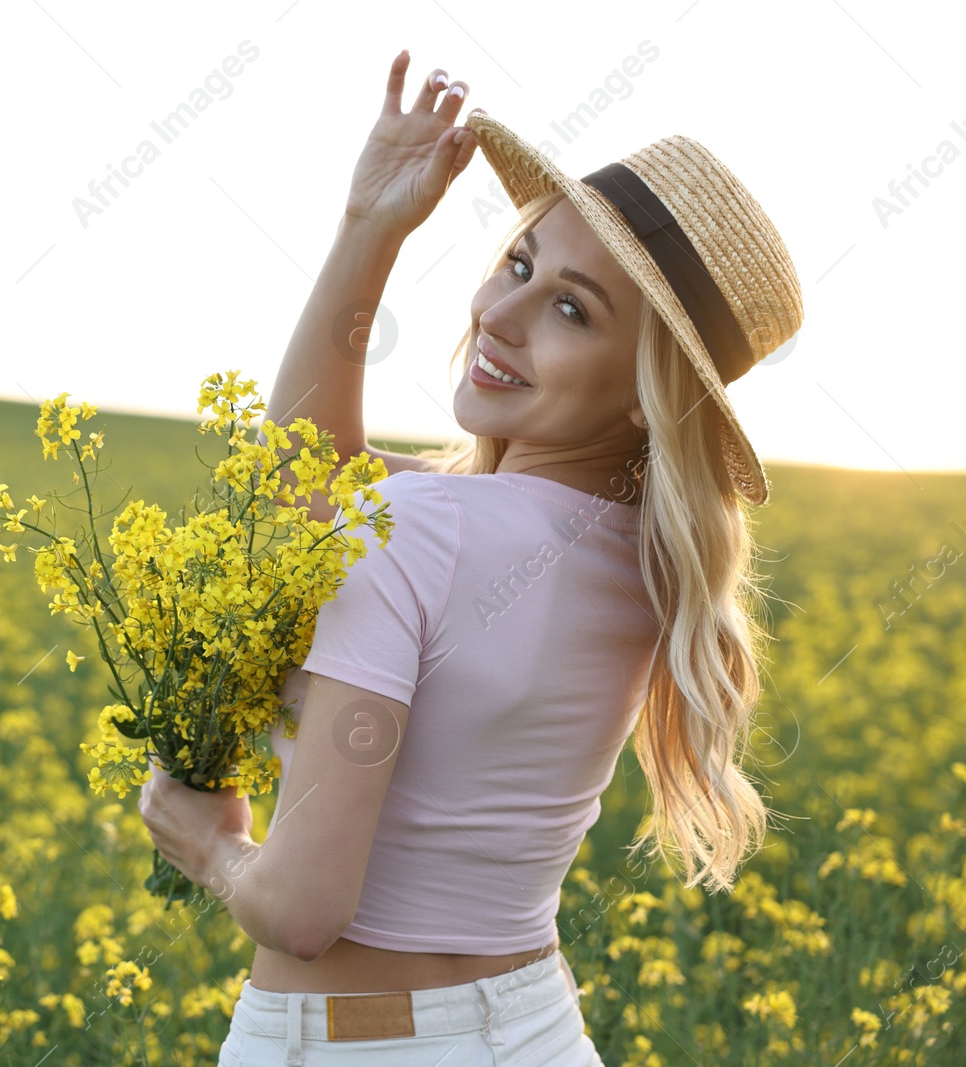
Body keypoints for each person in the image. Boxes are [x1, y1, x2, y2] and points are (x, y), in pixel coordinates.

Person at [137, 49, 803, 1065]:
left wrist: (207, 842)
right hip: (535, 1028)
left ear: (643, 394)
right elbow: (314, 478)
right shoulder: (637, 559)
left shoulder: (424, 528)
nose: (498, 314)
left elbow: (303, 910)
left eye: (571, 310)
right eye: (521, 264)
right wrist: (372, 221)